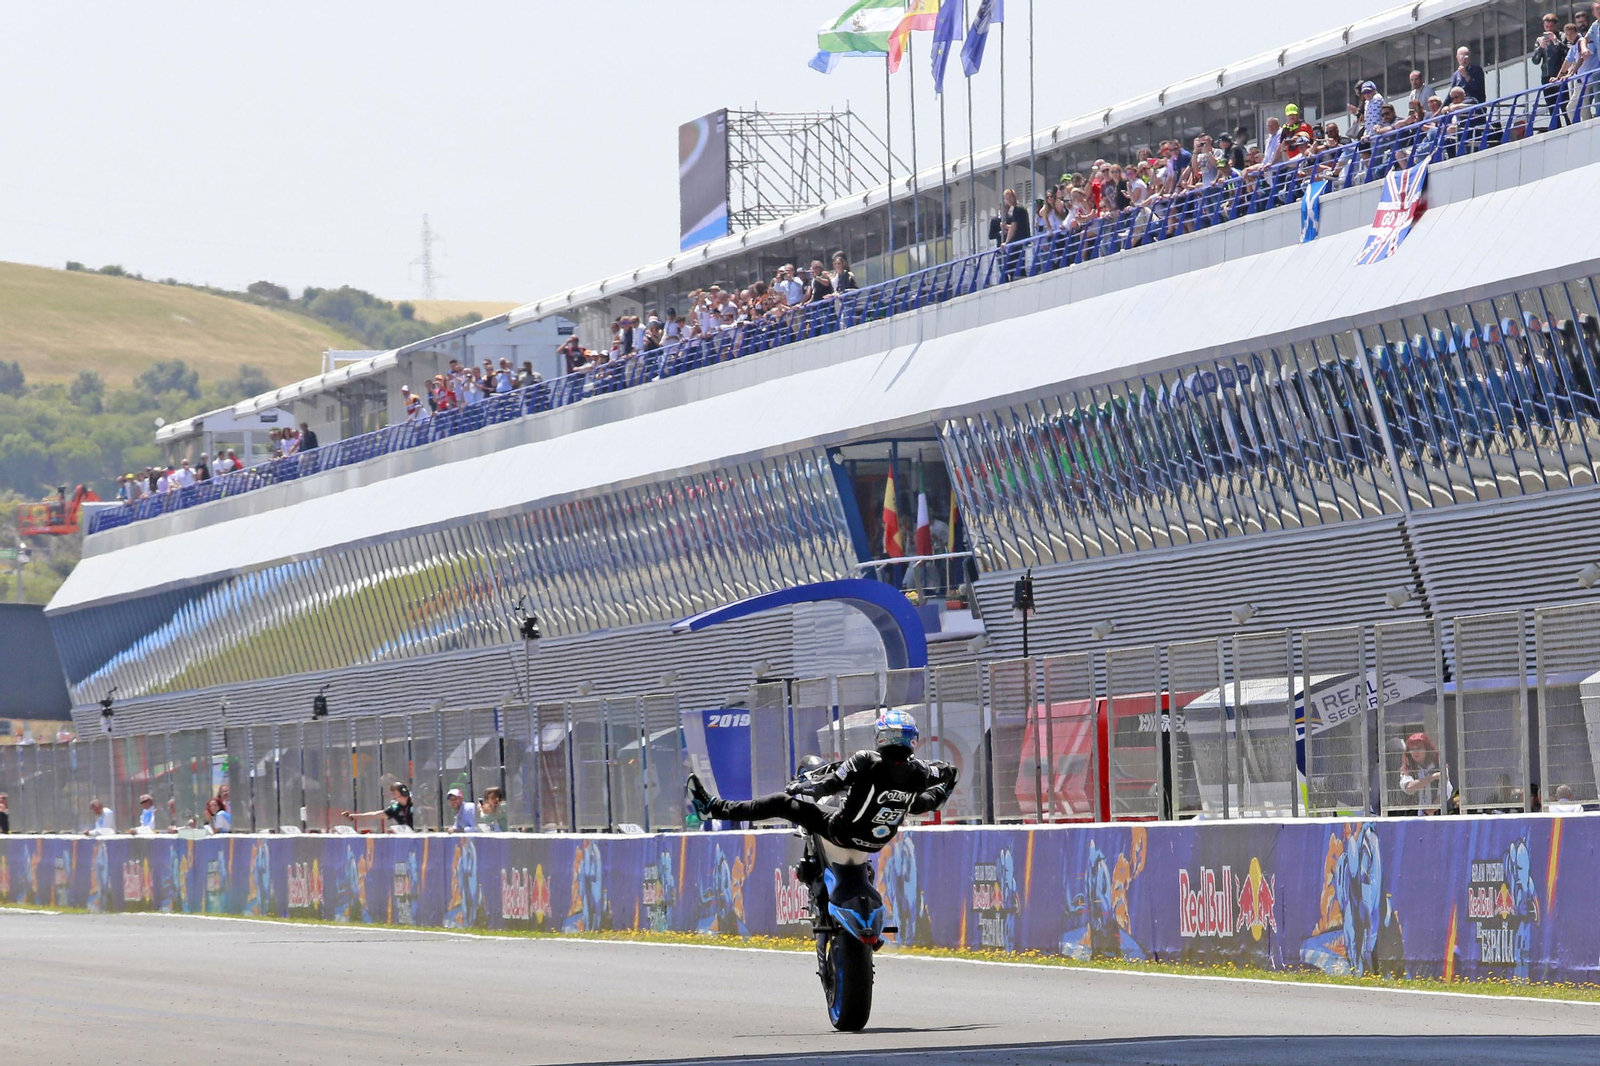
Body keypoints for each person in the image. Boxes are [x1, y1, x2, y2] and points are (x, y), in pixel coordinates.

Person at [688, 708, 958, 853]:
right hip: (877, 843)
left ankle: (713, 808)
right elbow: (949, 775)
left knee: (781, 802)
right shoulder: (922, 771)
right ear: (913, 739)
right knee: (912, 802)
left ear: (881, 736)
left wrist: (799, 786)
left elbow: (826, 785)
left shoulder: (866, 760)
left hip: (841, 832)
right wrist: (940, 794)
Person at [1398, 732, 1449, 814]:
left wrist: (1427, 813)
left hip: (1436, 815)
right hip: (1412, 816)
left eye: (1419, 748)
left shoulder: (1439, 766)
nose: (1415, 752)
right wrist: (1432, 777)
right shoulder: (1407, 768)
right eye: (1412, 749)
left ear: (1427, 749)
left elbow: (1444, 794)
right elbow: (1409, 788)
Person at [343, 782, 414, 831]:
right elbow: (375, 815)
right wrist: (354, 816)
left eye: (395, 792)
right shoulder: (395, 808)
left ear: (403, 792)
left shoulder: (414, 803)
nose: (393, 795)